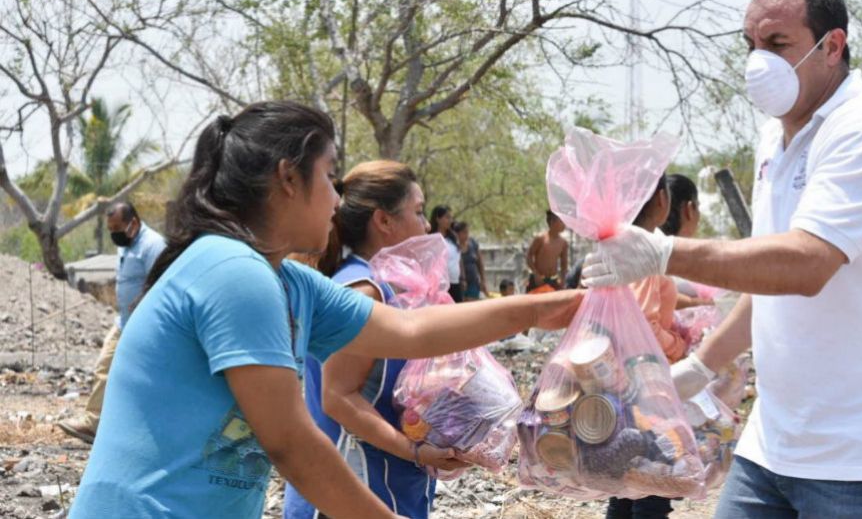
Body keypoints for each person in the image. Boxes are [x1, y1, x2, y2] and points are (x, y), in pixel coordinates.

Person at [69, 101, 582, 519]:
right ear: (288, 178)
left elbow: (409, 330)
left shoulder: (288, 282)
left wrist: (541, 310)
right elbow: (292, 443)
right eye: (331, 176)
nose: (338, 200)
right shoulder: (233, 272)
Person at [582, 0, 862, 517]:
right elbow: (766, 279)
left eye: (778, 44)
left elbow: (804, 266)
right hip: (774, 443)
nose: (760, 62)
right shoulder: (773, 140)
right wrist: (700, 370)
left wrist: (665, 252)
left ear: (832, 45)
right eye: (751, 44)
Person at [284, 160, 460, 519]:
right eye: (418, 211)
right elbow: (337, 399)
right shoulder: (363, 292)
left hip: (390, 486)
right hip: (353, 490)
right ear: (384, 221)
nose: (427, 226)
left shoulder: (389, 287)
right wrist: (414, 451)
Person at [57, 202, 166, 444]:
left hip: (146, 324)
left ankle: (132, 427)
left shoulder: (153, 245)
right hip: (125, 322)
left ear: (134, 223)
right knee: (105, 367)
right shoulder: (127, 245)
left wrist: (140, 300)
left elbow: (162, 281)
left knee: (142, 377)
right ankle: (95, 422)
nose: (114, 233)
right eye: (110, 229)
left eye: (117, 227)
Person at [606, 174, 680, 519]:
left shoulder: (614, 248)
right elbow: (644, 324)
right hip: (646, 387)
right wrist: (678, 345)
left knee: (625, 486)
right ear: (662, 201)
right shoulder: (648, 252)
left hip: (612, 381)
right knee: (651, 486)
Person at [659, 174, 713, 310]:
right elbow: (659, 296)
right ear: (689, 209)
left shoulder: (647, 252)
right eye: (698, 207)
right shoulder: (702, 257)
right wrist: (699, 303)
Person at [526, 210, 568, 292]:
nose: (564, 224)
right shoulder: (541, 238)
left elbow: (564, 263)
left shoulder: (563, 242)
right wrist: (536, 274)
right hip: (538, 280)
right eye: (561, 221)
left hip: (553, 280)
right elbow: (529, 256)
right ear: (553, 222)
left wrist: (562, 279)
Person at [429, 205, 464, 302]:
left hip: (455, 282)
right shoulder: (431, 238)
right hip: (440, 285)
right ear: (438, 219)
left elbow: (458, 260)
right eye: (447, 217)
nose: (450, 220)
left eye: (451, 218)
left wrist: (463, 278)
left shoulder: (453, 238)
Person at [455, 221, 488, 301]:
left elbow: (480, 263)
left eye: (467, 232)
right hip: (460, 283)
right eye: (464, 232)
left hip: (473, 282)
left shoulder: (473, 243)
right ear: (457, 233)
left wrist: (483, 280)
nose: (466, 235)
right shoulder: (454, 246)